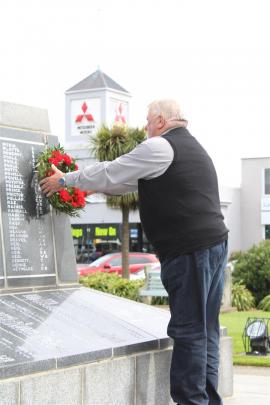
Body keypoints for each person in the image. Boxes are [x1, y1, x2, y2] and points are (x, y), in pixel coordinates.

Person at [40, 99, 228, 405]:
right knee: (206, 331)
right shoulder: (192, 148)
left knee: (190, 331)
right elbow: (120, 181)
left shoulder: (160, 147)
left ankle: (192, 402)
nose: (144, 128)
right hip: (212, 245)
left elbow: (113, 170)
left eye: (147, 121)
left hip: (190, 250)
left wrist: (64, 179)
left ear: (161, 121)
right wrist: (86, 185)